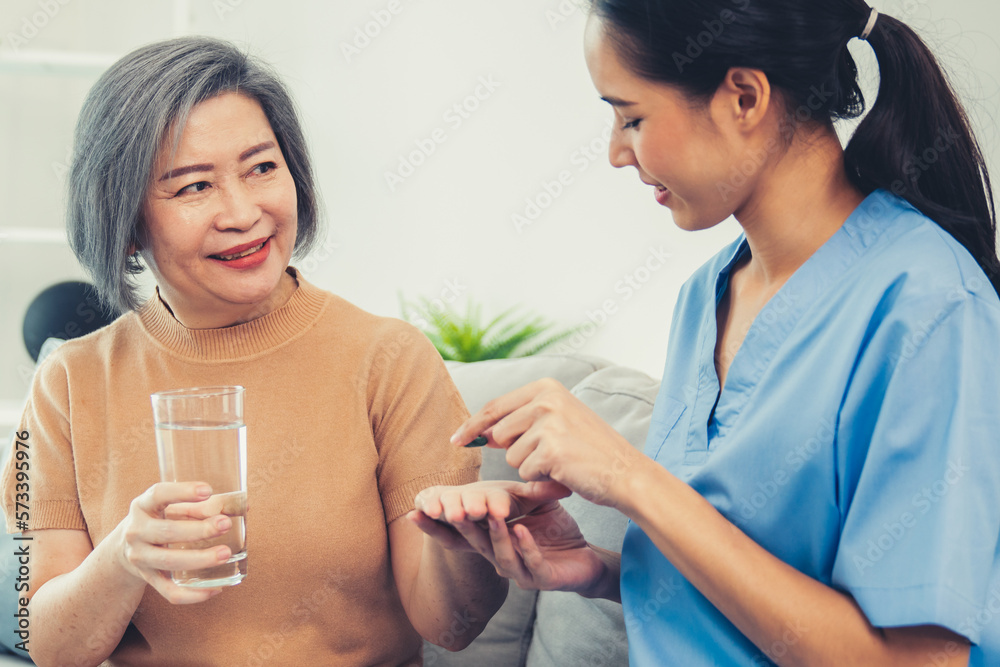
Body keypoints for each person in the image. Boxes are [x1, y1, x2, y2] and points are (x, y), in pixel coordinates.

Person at [411, 1, 1000, 665]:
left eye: (631, 116)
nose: (614, 152)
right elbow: (736, 582)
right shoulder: (706, 296)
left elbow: (919, 659)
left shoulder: (928, 308)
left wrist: (629, 477)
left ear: (743, 97)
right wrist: (593, 569)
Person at [0, 37, 506, 666]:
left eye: (262, 168)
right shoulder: (67, 384)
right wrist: (124, 556)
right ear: (125, 222)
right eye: (192, 187)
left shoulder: (389, 359)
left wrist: (472, 544)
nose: (243, 213)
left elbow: (450, 626)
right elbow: (48, 644)